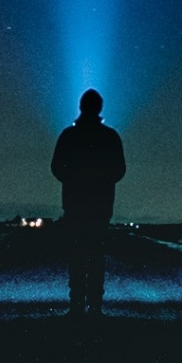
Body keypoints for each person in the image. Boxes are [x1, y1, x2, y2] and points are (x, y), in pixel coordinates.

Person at [50, 89, 126, 319]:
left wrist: (75, 179)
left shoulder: (69, 136)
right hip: (101, 204)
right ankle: (94, 306)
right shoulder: (110, 136)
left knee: (77, 253)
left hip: (75, 203)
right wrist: (101, 180)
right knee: (96, 254)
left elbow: (56, 167)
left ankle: (76, 306)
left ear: (81, 107)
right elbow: (119, 169)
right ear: (100, 108)